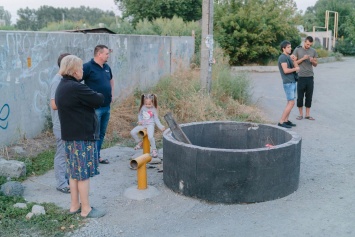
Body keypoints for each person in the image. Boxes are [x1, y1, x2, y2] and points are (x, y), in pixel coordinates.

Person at [55, 55, 106, 218]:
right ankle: (86, 209)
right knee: (83, 175)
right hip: (81, 137)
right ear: (75, 69)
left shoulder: (61, 85)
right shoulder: (76, 87)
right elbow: (98, 99)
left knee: (73, 173)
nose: (83, 71)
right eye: (81, 68)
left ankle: (74, 206)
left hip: (70, 136)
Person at [82, 45, 114, 164]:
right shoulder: (87, 67)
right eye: (106, 53)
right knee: (93, 134)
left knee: (101, 133)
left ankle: (97, 156)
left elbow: (111, 80)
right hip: (95, 108)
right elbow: (77, 82)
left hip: (106, 106)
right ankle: (90, 158)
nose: (108, 55)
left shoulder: (106, 67)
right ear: (99, 54)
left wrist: (112, 94)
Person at [50, 53, 70, 194]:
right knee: (62, 154)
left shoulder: (64, 80)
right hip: (60, 124)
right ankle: (61, 183)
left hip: (66, 123)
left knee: (66, 153)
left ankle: (65, 179)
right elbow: (54, 104)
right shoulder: (57, 81)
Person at [130, 94, 165, 158]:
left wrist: (160, 126)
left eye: (149, 104)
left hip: (150, 125)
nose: (147, 106)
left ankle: (154, 150)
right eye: (146, 104)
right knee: (132, 132)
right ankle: (140, 143)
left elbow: (156, 119)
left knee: (150, 137)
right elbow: (140, 115)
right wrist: (140, 120)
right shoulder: (143, 107)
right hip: (143, 125)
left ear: (153, 102)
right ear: (144, 102)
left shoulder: (154, 109)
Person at [292, 36, 318, 121]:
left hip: (310, 77)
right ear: (304, 42)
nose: (308, 46)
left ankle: (307, 115)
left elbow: (316, 64)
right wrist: (303, 58)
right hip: (300, 76)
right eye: (307, 44)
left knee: (309, 96)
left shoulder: (313, 51)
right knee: (300, 96)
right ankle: (300, 115)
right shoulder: (297, 50)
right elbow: (294, 62)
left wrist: (312, 61)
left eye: (310, 45)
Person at [277, 40, 300, 129]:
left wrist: (294, 60)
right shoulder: (282, 57)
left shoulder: (289, 57)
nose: (290, 49)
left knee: (289, 102)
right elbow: (286, 70)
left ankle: (286, 120)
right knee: (291, 103)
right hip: (288, 82)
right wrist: (295, 69)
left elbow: (297, 68)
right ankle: (281, 121)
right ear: (283, 48)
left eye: (290, 47)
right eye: (288, 47)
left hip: (292, 81)